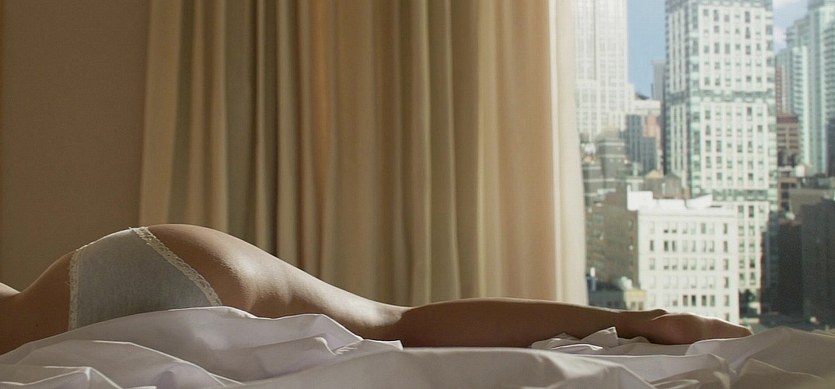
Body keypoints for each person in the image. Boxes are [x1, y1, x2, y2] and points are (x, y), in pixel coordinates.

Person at [0, 224, 751, 355]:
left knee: (394, 325)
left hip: (58, 312)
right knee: (396, 322)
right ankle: (634, 319)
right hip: (149, 254)